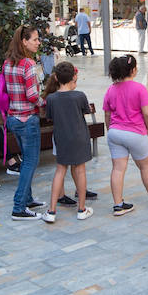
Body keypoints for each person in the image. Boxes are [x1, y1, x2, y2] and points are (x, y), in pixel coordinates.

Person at [101, 54, 148, 216]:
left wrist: (110, 130)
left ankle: (118, 204)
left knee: (118, 168)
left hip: (115, 132)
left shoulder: (111, 89)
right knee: (145, 165)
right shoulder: (139, 89)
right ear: (133, 70)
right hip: (135, 132)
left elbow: (107, 114)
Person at [2, 24, 47, 221]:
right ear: (24, 41)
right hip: (28, 119)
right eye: (35, 39)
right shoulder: (28, 64)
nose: (38, 42)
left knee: (26, 159)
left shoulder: (8, 63)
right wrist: (43, 101)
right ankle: (19, 206)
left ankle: (27, 199)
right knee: (30, 162)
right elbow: (31, 95)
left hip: (13, 118)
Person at [42, 62, 94, 222]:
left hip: (61, 138)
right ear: (74, 77)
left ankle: (51, 211)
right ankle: (81, 209)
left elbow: (49, 117)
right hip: (79, 137)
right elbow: (86, 111)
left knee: (60, 171)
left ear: (56, 77)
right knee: (80, 170)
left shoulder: (51, 98)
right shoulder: (80, 96)